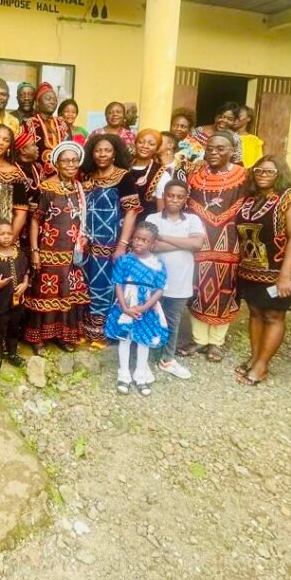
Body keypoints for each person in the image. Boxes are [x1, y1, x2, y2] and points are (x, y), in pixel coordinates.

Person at [235, 156, 291, 386]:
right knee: (256, 312)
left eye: (269, 171)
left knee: (273, 315)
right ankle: (254, 357)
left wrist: (285, 276)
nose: (263, 175)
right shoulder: (251, 198)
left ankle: (262, 365)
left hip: (281, 270)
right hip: (252, 268)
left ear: (281, 174)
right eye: (259, 171)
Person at [184, 132, 247, 362]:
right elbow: (187, 202)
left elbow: (244, 205)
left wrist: (219, 219)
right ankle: (199, 339)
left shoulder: (243, 176)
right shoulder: (195, 174)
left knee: (225, 288)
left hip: (229, 240)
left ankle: (216, 342)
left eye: (220, 149)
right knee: (198, 286)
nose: (213, 152)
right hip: (199, 239)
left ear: (232, 151)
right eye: (210, 148)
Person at [23, 141, 89, 353]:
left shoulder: (78, 187)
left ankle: (60, 335)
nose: (71, 164)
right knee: (45, 293)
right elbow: (35, 220)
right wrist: (35, 251)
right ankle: (38, 339)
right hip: (48, 251)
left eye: (74, 160)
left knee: (65, 293)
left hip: (71, 253)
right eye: (65, 161)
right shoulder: (47, 187)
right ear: (57, 164)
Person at [81, 133, 141, 345]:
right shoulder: (87, 177)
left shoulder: (123, 177)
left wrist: (122, 245)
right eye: (98, 150)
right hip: (86, 243)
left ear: (115, 153)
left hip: (110, 242)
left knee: (106, 286)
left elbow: (131, 211)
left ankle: (104, 332)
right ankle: (87, 329)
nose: (102, 154)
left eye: (107, 150)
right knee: (86, 284)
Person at [103, 222, 170, 396]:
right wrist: (124, 307)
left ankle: (141, 376)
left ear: (153, 243)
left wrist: (144, 307)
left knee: (143, 341)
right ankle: (124, 375)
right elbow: (118, 283)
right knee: (124, 339)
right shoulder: (124, 260)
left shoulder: (158, 264)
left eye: (144, 240)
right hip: (125, 304)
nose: (139, 242)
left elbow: (160, 289)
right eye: (137, 238)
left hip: (146, 307)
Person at [146, 179, 203, 380]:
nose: (174, 200)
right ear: (164, 196)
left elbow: (197, 244)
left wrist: (163, 237)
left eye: (179, 197)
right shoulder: (152, 218)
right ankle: (144, 359)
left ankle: (167, 359)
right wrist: (185, 243)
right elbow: (152, 246)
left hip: (180, 282)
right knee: (149, 319)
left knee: (173, 322)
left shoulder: (193, 220)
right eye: (170, 195)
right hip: (154, 282)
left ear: (186, 199)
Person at [0, 220, 29, 375]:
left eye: (9, 233)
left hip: (17, 302)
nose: (6, 237)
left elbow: (26, 273)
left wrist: (25, 284)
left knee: (14, 328)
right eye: (2, 234)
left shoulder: (20, 254)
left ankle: (13, 354)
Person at [0, 124, 29, 238]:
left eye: (5, 140)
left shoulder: (14, 174)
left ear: (9, 146)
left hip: (1, 237)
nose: (0, 142)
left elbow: (21, 213)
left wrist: (10, 239)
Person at [24, 82, 71, 176]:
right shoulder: (31, 124)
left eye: (54, 99)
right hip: (37, 176)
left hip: (61, 175)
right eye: (48, 99)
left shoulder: (62, 124)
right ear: (38, 102)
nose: (52, 102)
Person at [126, 129, 163, 220]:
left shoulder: (161, 173)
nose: (145, 146)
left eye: (151, 144)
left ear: (157, 148)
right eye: (141, 142)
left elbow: (161, 213)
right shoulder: (124, 166)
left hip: (144, 224)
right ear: (135, 143)